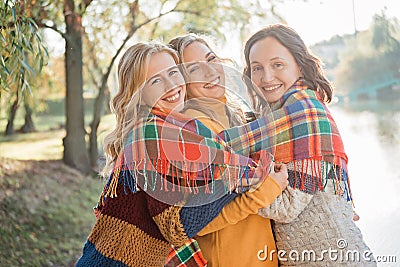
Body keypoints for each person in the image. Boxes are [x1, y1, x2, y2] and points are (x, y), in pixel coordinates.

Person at [75, 41, 286, 267]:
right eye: (156, 80)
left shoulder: (176, 129)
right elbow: (177, 226)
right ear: (139, 93)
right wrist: (257, 179)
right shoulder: (154, 136)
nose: (171, 85)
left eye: (173, 73)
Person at [219, 24, 376, 266]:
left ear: (299, 66)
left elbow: (287, 208)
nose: (266, 77)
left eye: (277, 65)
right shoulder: (272, 119)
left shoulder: (304, 114)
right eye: (257, 68)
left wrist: (228, 177)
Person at [166, 33, 288, 267]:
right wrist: (266, 190)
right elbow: (198, 221)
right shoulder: (194, 130)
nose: (209, 72)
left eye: (211, 59)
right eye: (194, 69)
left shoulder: (236, 118)